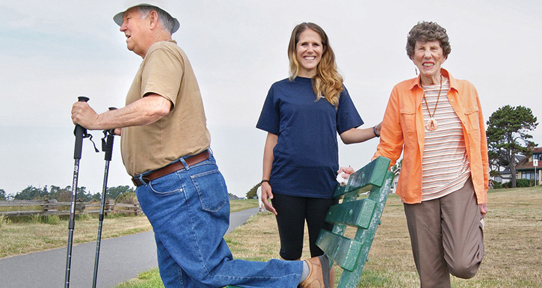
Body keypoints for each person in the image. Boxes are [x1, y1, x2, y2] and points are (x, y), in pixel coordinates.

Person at [71, 4, 331, 288]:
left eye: (128, 19)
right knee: (181, 280)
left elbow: (157, 106)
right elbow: (162, 122)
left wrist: (98, 119)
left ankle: (303, 273)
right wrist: (118, 127)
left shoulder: (162, 52)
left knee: (209, 270)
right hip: (170, 186)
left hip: (177, 184)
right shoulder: (161, 57)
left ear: (153, 19)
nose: (122, 27)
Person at [343, 21, 488, 287]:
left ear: (444, 54)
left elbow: (480, 144)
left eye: (434, 48)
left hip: (459, 186)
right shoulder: (400, 93)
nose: (428, 54)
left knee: (463, 264)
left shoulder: (466, 90)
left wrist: (482, 191)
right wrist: (365, 176)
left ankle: (471, 228)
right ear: (412, 55)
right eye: (421, 49)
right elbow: (388, 147)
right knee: (431, 278)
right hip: (418, 194)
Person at [256, 22, 381, 272]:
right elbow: (272, 139)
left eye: (315, 44)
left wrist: (377, 130)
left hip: (323, 185)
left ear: (324, 49)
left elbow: (347, 134)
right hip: (286, 184)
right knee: (289, 253)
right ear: (294, 48)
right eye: (304, 44)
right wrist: (265, 180)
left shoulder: (335, 88)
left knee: (322, 253)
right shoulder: (279, 90)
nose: (309, 49)